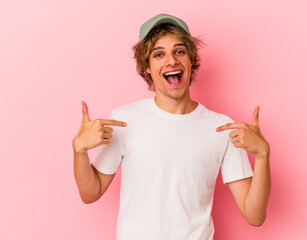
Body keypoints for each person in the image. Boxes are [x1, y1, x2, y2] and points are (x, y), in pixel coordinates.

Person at [73, 14, 271, 240]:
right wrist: (79, 151)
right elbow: (90, 193)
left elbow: (254, 216)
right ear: (146, 67)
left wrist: (263, 155)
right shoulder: (123, 120)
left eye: (179, 51)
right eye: (159, 54)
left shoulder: (223, 128)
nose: (171, 61)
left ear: (190, 60)